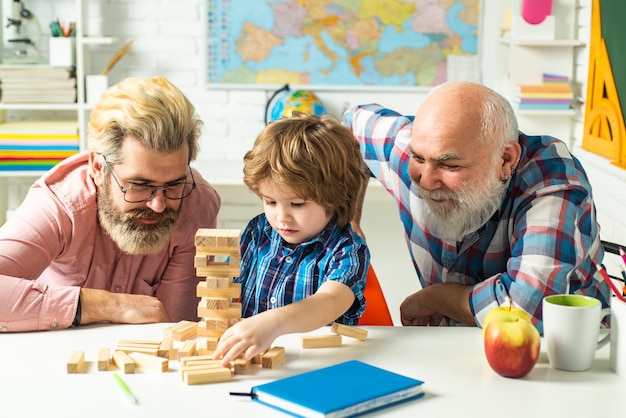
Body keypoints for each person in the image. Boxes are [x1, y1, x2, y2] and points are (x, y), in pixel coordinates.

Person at [342, 81, 609, 333]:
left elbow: (524, 310)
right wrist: (349, 221)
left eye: (450, 165)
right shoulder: (403, 148)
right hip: (455, 354)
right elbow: (347, 133)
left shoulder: (553, 181)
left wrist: (436, 298)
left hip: (564, 358)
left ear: (506, 159)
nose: (426, 180)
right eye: (418, 158)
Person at [0, 76, 221, 332]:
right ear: (97, 167)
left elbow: (172, 325)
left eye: (172, 185)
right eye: (139, 185)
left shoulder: (197, 204)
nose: (159, 204)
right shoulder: (57, 204)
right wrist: (104, 304)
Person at [212, 112, 369, 365]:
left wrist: (272, 324)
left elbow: (330, 300)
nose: (281, 217)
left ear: (336, 197)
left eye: (297, 204)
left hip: (318, 364)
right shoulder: (258, 232)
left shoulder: (346, 249)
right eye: (270, 201)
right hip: (255, 361)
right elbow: (229, 288)